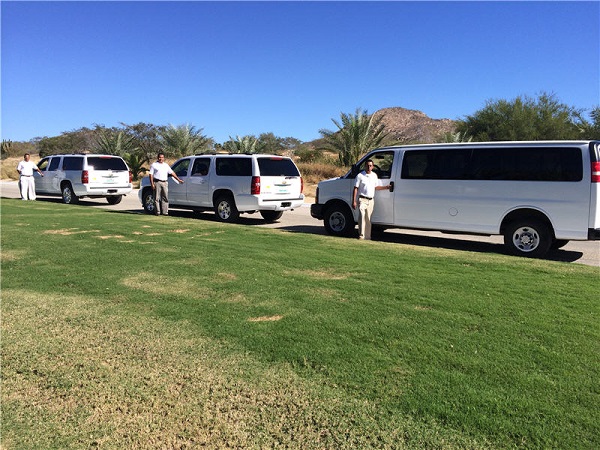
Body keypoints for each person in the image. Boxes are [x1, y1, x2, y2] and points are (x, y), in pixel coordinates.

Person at [351, 159, 391, 240]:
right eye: (367, 165)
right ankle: (361, 236)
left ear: (372, 166)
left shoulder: (374, 176)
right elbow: (355, 188)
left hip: (371, 200)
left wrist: (386, 187)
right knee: (362, 216)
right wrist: (354, 201)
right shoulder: (360, 176)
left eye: (370, 165)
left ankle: (368, 237)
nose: (369, 167)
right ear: (365, 166)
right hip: (362, 199)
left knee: (368, 219)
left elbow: (376, 187)